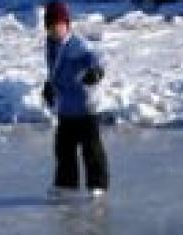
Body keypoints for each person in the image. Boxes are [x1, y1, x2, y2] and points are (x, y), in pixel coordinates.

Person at [42, 1, 110, 195]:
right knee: (63, 149)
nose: (54, 30)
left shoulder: (78, 45)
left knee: (91, 149)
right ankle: (66, 184)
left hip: (85, 106)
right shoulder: (51, 46)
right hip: (65, 108)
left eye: (58, 26)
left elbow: (98, 59)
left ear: (67, 25)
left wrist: (96, 72)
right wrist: (49, 86)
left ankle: (97, 184)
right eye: (50, 27)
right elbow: (54, 71)